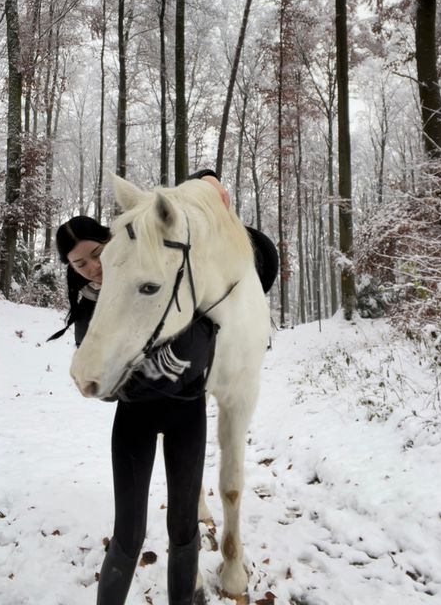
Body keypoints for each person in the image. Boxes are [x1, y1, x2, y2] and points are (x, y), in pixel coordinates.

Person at [54, 173, 278, 605]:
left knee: (183, 533)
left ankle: (223, 556)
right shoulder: (91, 302)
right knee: (129, 532)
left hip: (184, 415)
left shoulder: (146, 263)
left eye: (97, 255)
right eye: (80, 265)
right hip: (136, 417)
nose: (93, 268)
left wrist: (208, 184)